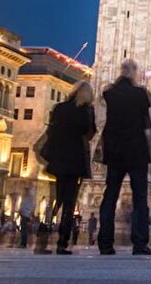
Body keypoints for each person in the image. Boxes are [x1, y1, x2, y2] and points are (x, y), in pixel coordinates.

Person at [97, 60, 151, 255]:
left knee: (110, 195)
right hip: (136, 151)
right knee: (140, 198)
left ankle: (105, 243)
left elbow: (103, 97)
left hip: (114, 151)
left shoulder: (110, 93)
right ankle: (139, 243)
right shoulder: (139, 94)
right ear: (133, 74)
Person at [42, 80, 96, 255]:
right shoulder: (86, 111)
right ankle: (61, 242)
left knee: (56, 200)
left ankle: (43, 237)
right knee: (69, 202)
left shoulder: (59, 108)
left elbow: (52, 129)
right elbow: (90, 132)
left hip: (58, 159)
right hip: (74, 161)